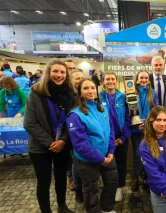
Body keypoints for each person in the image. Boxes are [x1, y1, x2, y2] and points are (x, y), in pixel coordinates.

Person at [23, 59, 75, 213]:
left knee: (61, 178)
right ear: (48, 73)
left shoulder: (70, 94)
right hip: (40, 147)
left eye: (62, 72)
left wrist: (63, 140)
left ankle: (62, 206)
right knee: (43, 181)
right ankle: (46, 210)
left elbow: (73, 121)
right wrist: (51, 142)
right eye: (55, 71)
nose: (59, 75)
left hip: (62, 144)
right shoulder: (36, 93)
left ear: (66, 75)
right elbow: (29, 123)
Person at [66, 78, 118, 213]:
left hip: (107, 155)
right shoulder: (75, 115)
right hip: (87, 160)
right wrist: (101, 160)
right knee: (91, 190)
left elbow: (110, 131)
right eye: (86, 88)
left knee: (112, 182)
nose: (90, 91)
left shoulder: (103, 109)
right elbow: (80, 145)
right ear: (80, 93)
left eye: (93, 88)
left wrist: (111, 150)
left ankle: (106, 208)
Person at [100, 72, 131, 202]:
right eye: (108, 79)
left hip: (121, 137)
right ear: (103, 82)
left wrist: (124, 137)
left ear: (116, 81)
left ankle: (120, 187)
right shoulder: (98, 97)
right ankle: (109, 187)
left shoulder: (123, 97)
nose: (110, 81)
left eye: (113, 79)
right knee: (107, 165)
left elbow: (128, 117)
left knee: (121, 164)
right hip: (106, 138)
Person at [130, 70, 159, 191]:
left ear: (148, 79)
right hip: (135, 130)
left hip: (149, 130)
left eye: (146, 78)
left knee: (150, 154)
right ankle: (135, 177)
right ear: (137, 79)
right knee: (137, 155)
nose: (144, 80)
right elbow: (129, 111)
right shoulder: (131, 92)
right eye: (141, 78)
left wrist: (147, 123)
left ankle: (148, 178)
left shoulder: (153, 93)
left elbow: (156, 111)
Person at [69, 69, 85, 202]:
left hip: (86, 133)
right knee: (76, 163)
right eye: (77, 78)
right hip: (73, 134)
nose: (79, 81)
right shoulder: (69, 97)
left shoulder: (84, 94)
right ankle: (78, 188)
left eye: (81, 78)